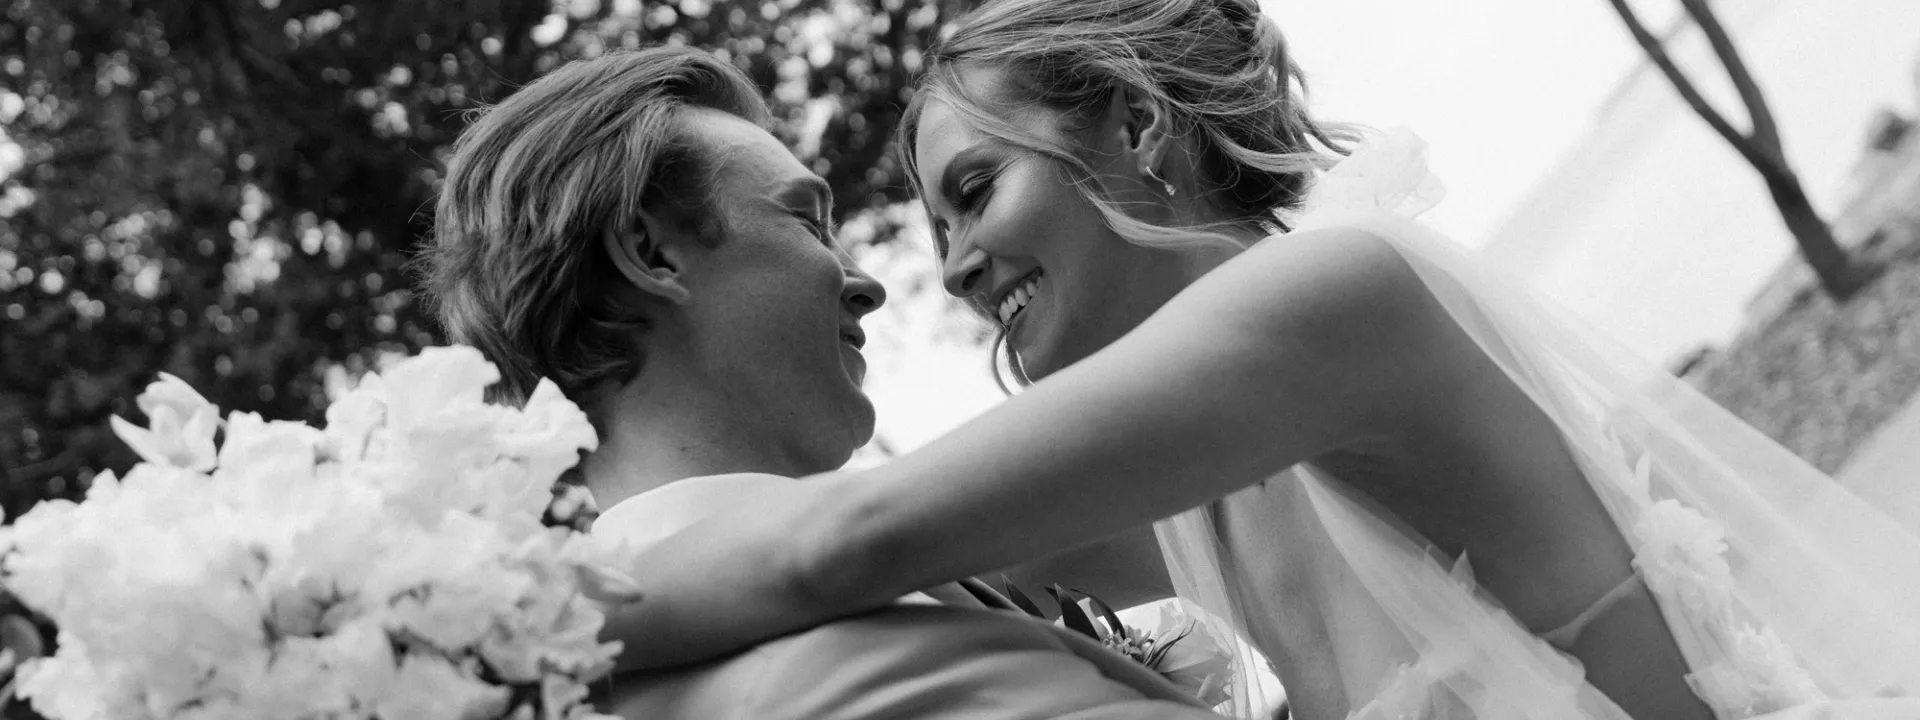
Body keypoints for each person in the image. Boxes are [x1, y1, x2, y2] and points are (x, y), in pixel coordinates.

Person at [600, 2, 1920, 718]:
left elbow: (850, 542)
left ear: (1135, 124)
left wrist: (475, 600)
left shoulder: (1331, 299)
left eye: (976, 188)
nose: (948, 267)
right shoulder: (1195, 469)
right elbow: (867, 592)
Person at [416, 46, 1229, 719]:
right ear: (651, 253)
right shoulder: (827, 666)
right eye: (807, 220)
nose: (865, 281)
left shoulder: (566, 666)